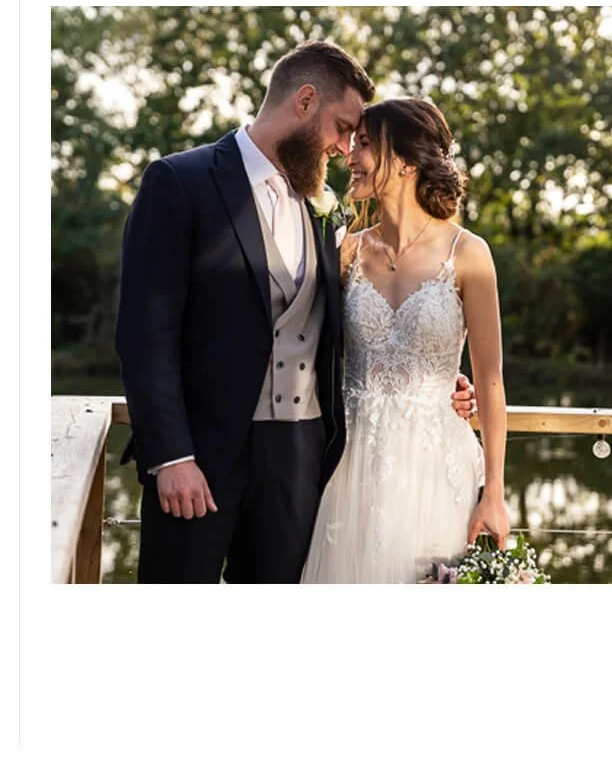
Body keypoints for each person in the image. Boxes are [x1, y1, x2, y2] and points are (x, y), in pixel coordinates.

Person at [116, 41, 476, 583]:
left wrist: (436, 378)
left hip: (300, 463)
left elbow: (352, 328)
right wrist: (170, 457)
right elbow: (146, 336)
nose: (344, 148)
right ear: (305, 102)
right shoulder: (180, 182)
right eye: (342, 128)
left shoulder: (325, 214)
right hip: (200, 459)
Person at [301, 98, 509, 583]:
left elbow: (492, 380)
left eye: (366, 145)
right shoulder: (345, 249)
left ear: (408, 161)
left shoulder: (469, 254)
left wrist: (494, 492)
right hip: (346, 467)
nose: (350, 155)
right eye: (352, 143)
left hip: (436, 467)